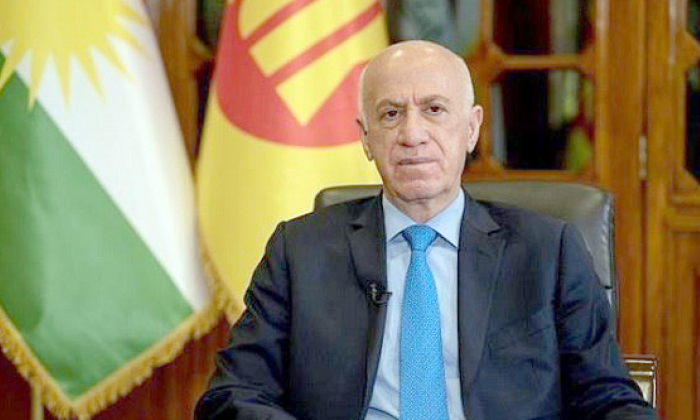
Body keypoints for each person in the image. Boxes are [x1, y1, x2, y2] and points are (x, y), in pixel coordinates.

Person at [195, 41, 657, 420]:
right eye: (390, 114)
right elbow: (232, 396)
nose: (412, 134)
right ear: (366, 138)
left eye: (434, 109)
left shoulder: (547, 252)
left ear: (471, 128)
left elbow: (610, 400)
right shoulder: (299, 252)